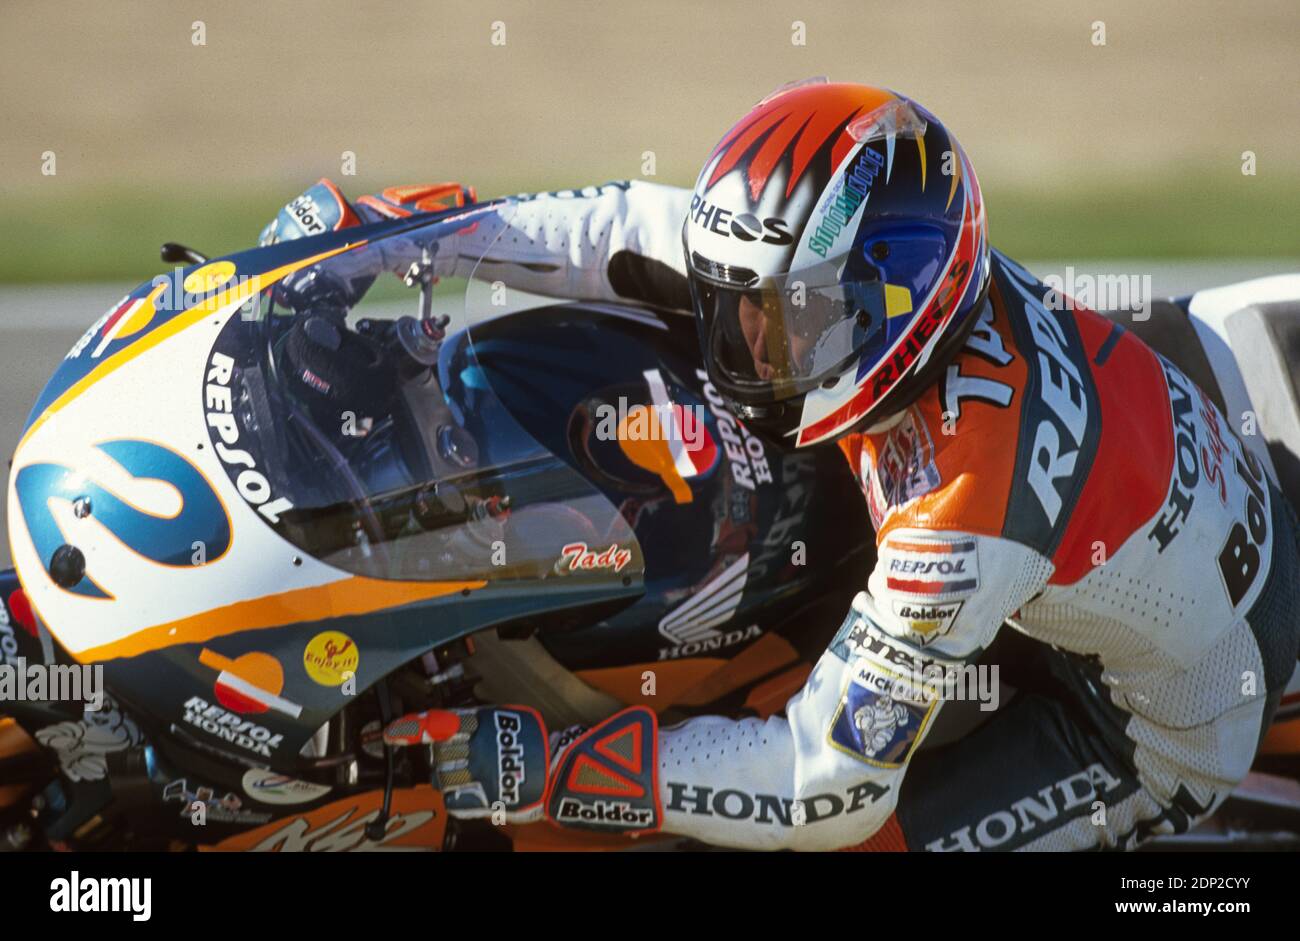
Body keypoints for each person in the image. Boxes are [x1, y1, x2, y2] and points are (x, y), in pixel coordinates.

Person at [267, 79, 1300, 850]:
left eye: (777, 320)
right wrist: (415, 239)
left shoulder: (960, 506)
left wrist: (555, 771)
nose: (741, 342)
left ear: (892, 310)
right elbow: (623, 225)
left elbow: (826, 786)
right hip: (1133, 531)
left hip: (1143, 717)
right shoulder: (843, 272)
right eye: (735, 300)